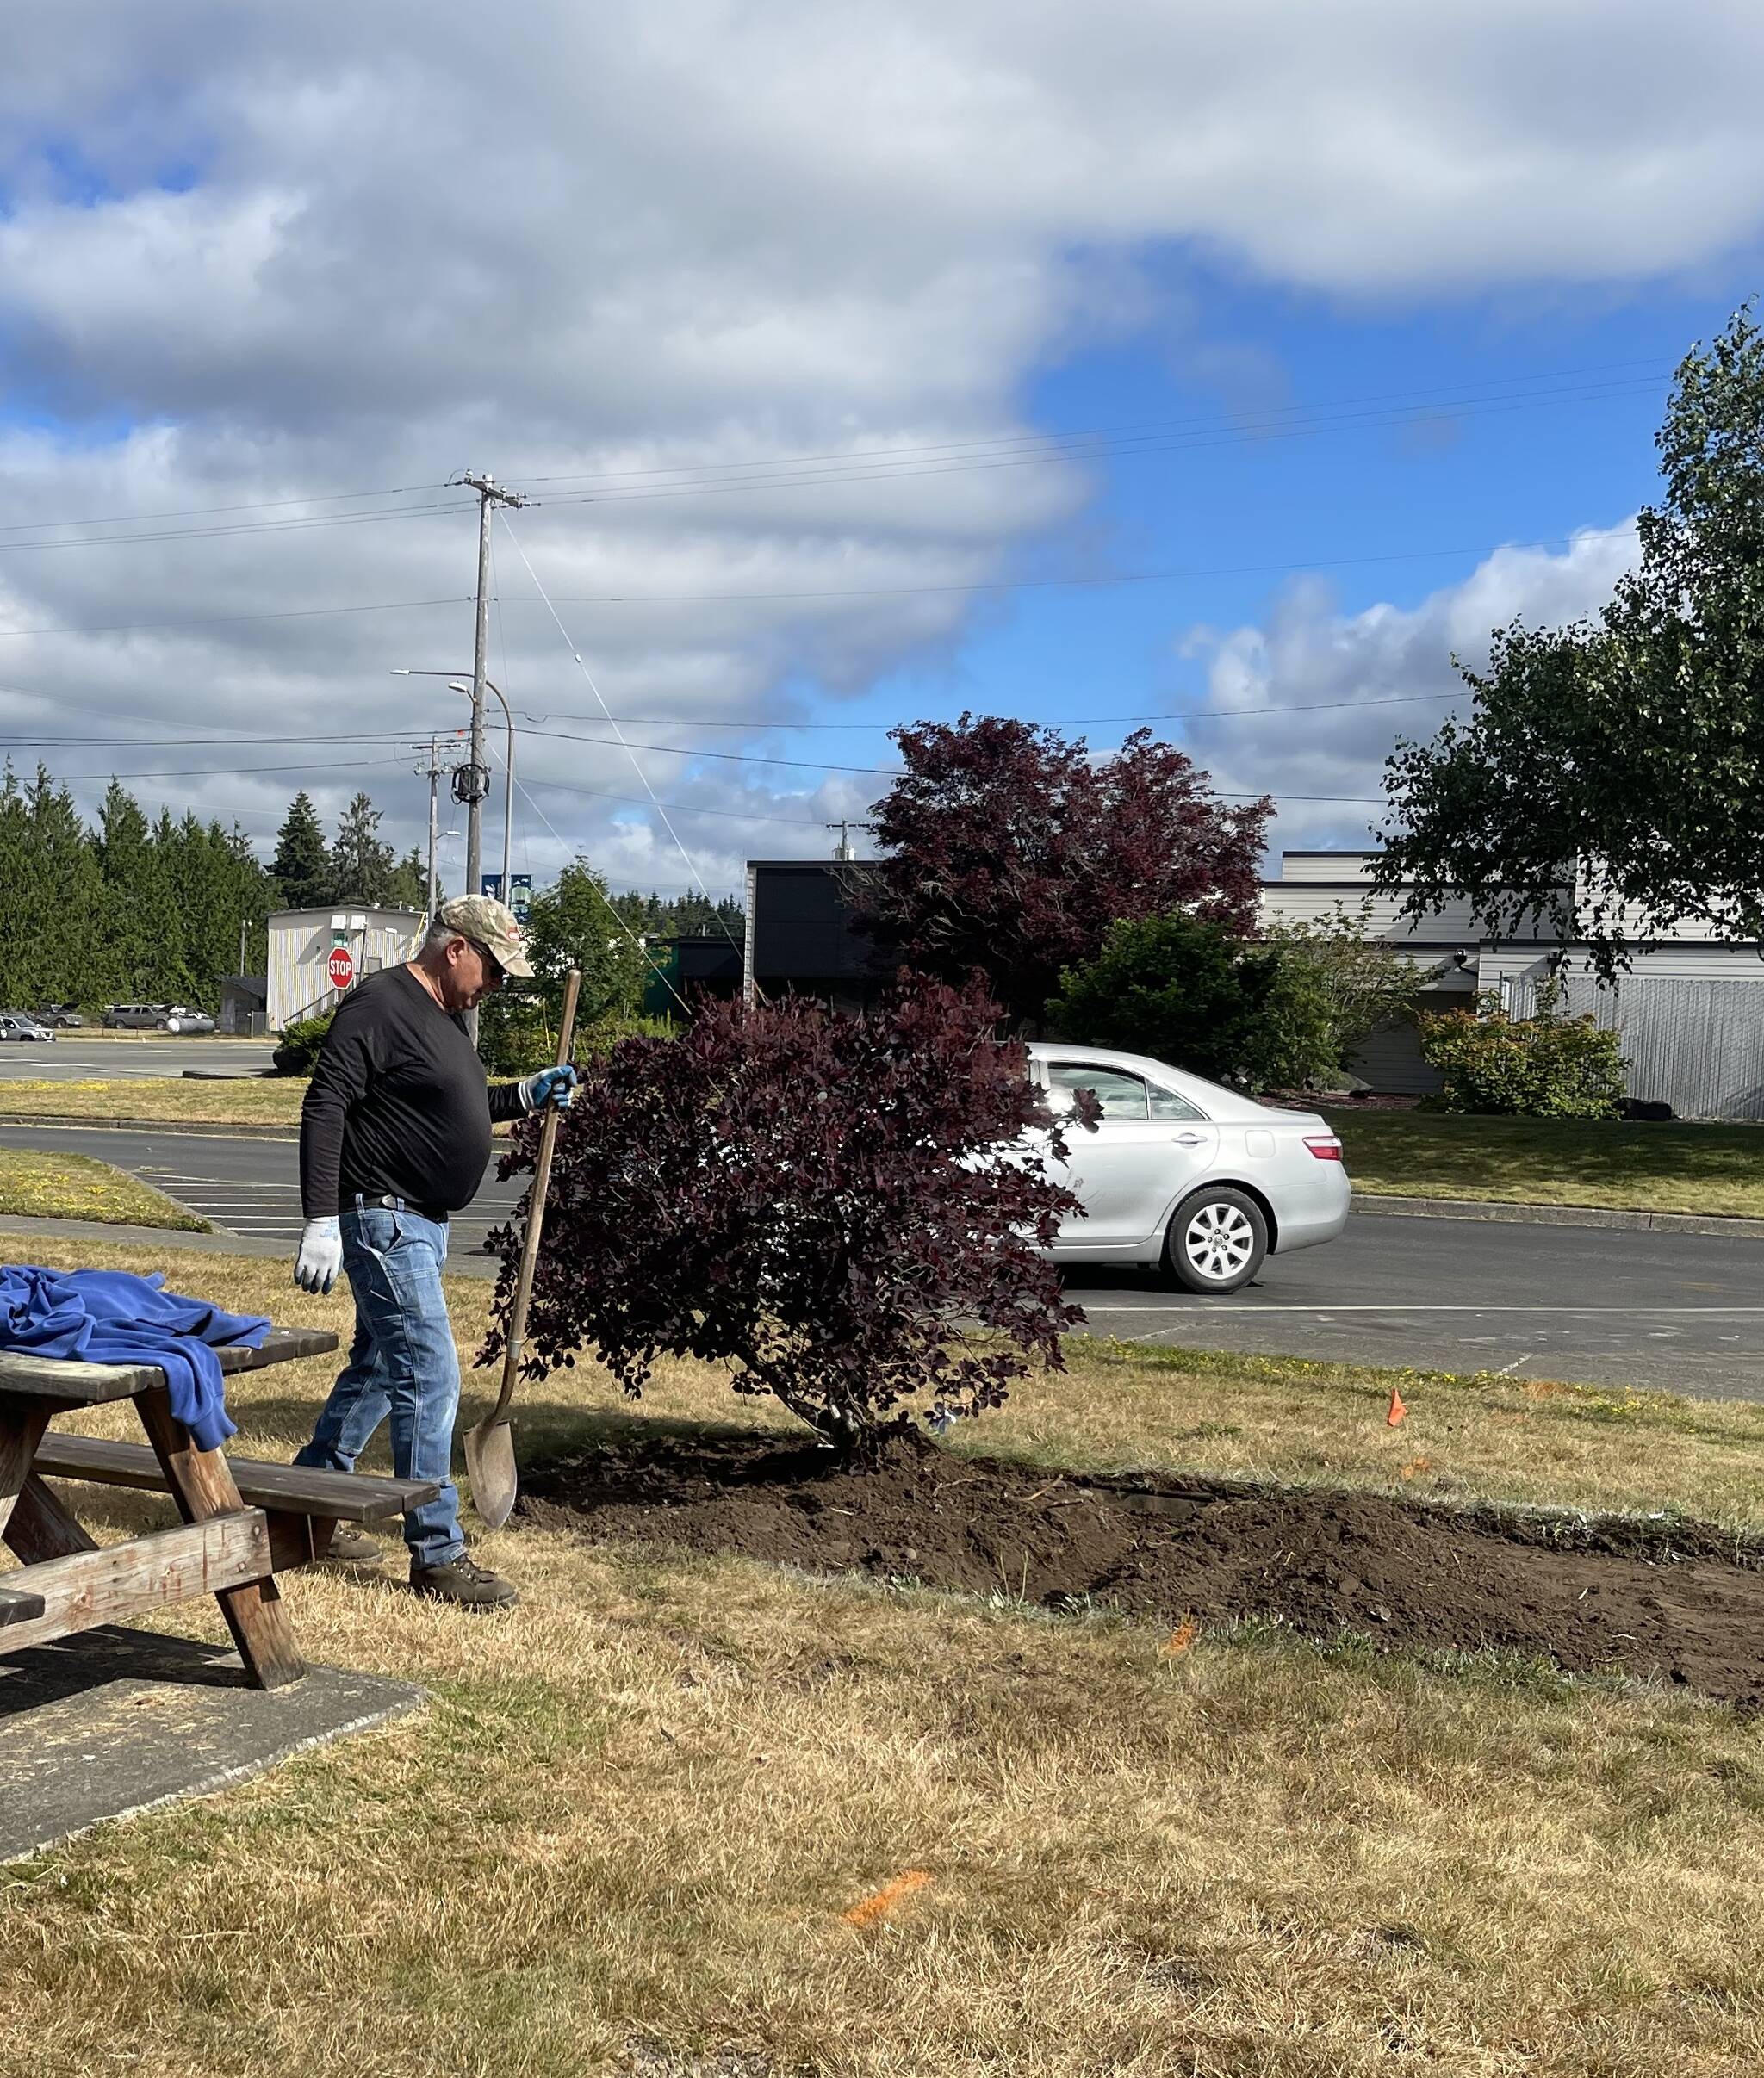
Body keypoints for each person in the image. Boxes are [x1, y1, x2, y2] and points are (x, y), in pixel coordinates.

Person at [290, 895, 578, 1608]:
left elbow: (458, 1101)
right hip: (383, 1220)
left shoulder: (445, 1019)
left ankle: (309, 1500)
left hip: (421, 1223)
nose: (498, 985)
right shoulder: (380, 1006)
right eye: (494, 969)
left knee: (385, 1366)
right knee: (432, 1373)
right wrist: (320, 1219)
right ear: (456, 949)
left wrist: (524, 1094)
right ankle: (437, 1553)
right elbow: (326, 1103)